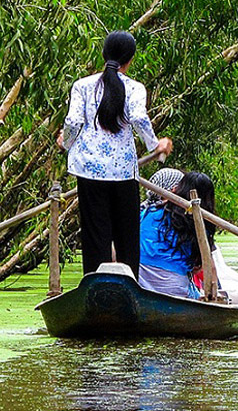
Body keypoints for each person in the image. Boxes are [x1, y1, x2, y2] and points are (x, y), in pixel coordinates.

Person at [59, 30, 173, 276]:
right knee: (127, 234)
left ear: (104, 54)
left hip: (88, 170)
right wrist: (155, 145)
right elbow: (139, 118)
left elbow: (73, 121)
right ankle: (129, 283)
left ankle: (95, 283)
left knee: (95, 234)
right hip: (123, 172)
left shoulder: (82, 86)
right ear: (130, 59)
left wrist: (66, 143)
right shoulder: (135, 88)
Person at [138, 172, 215, 298]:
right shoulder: (199, 225)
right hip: (174, 286)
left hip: (139, 280)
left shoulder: (148, 211)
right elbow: (198, 267)